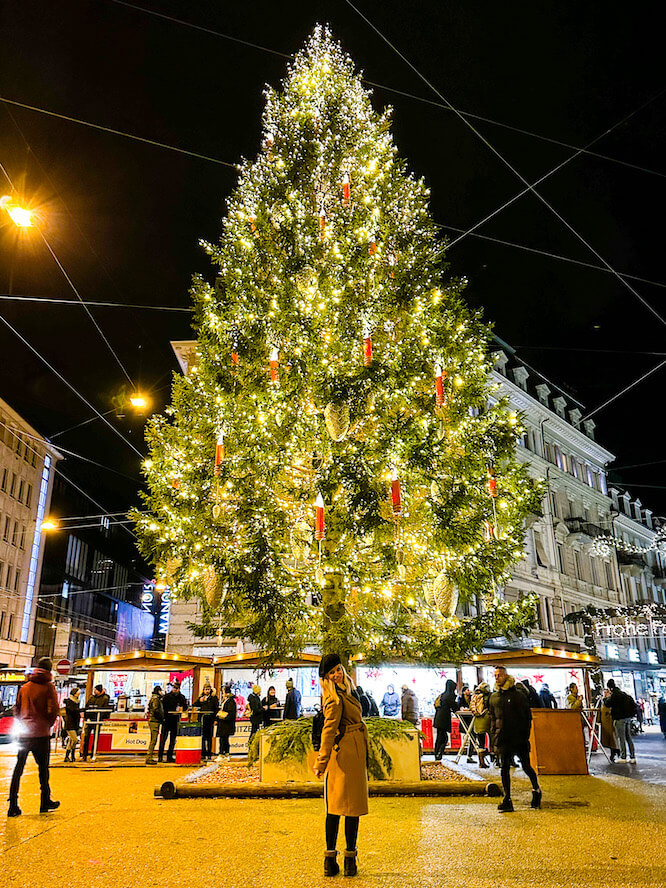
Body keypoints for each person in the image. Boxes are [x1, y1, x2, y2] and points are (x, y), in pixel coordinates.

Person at [313, 653, 368, 878]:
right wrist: (321, 761)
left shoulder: (347, 692)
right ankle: (338, 860)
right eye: (331, 672)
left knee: (345, 808)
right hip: (343, 754)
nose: (337, 674)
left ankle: (344, 860)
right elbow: (328, 730)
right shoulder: (334, 699)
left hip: (351, 753)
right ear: (326, 677)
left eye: (338, 669)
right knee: (338, 809)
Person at [8, 658, 60, 817]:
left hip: (24, 734)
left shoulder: (25, 687)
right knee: (43, 769)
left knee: (18, 768)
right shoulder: (48, 687)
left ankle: (13, 804)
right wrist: (47, 725)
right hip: (41, 734)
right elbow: (53, 709)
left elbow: (16, 708)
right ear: (49, 670)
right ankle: (45, 801)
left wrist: (22, 722)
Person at [489, 665, 542, 813]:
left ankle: (536, 790)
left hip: (518, 738)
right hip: (503, 738)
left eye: (499, 675)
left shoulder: (518, 695)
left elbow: (526, 717)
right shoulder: (494, 697)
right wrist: (494, 737)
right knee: (504, 769)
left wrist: (524, 736)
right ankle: (507, 799)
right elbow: (492, 718)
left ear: (506, 676)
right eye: (495, 675)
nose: (497, 677)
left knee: (526, 766)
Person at [603, 679, 636, 763]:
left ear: (610, 688)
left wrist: (605, 699)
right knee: (628, 738)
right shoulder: (623, 694)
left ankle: (623, 757)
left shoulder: (615, 695)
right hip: (627, 718)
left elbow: (607, 704)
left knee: (621, 738)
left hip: (619, 719)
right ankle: (633, 757)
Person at [159, 679, 188, 763]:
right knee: (163, 739)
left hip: (175, 720)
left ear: (179, 689)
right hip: (167, 720)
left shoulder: (181, 697)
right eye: (174, 688)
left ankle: (169, 756)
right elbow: (162, 708)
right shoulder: (167, 697)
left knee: (172, 740)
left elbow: (185, 707)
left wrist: (182, 709)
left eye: (176, 688)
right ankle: (160, 756)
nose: (175, 689)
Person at [81, 684, 111, 761]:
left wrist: (102, 717)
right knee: (86, 737)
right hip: (90, 720)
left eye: (96, 690)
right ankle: (84, 754)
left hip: (97, 720)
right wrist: (86, 716)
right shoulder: (92, 698)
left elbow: (106, 709)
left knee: (95, 738)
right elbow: (87, 707)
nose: (94, 691)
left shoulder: (105, 698)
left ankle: (92, 754)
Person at [195, 680, 219, 762]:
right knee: (203, 737)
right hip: (202, 719)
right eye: (206, 689)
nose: (207, 691)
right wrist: (199, 701)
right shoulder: (201, 698)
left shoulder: (214, 698)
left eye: (208, 689)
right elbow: (194, 705)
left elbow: (216, 709)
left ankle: (209, 753)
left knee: (209, 737)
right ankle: (203, 753)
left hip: (210, 719)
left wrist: (215, 719)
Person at [433, 679, 457, 761]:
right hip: (444, 719)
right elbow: (454, 707)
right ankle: (439, 754)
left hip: (438, 718)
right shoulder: (450, 695)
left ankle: (437, 753)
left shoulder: (443, 695)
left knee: (439, 737)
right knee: (444, 738)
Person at [470, 681, 491, 768]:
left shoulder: (474, 696)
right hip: (487, 720)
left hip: (477, 722)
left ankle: (481, 762)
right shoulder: (488, 696)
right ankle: (495, 759)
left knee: (481, 743)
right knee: (492, 740)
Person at [598, 688, 620, 762]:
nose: (605, 694)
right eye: (604, 692)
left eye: (607, 692)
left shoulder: (611, 701)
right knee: (609, 739)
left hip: (611, 721)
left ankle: (617, 752)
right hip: (605, 722)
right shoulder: (602, 701)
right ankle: (614, 752)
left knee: (613, 739)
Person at [217, 683, 237, 758]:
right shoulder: (225, 700)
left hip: (226, 723)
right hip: (222, 723)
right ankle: (223, 753)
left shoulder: (231, 701)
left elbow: (231, 713)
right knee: (223, 739)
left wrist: (222, 715)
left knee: (224, 739)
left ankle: (223, 753)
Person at [145, 685, 163, 765]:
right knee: (153, 740)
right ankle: (149, 757)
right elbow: (156, 710)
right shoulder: (156, 699)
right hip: (154, 721)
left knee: (153, 739)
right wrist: (161, 718)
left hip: (153, 720)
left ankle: (150, 757)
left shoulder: (153, 698)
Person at [63, 687, 81, 762]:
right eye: (78, 693)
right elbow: (73, 711)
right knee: (74, 739)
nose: (78, 694)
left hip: (75, 724)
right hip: (70, 724)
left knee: (72, 740)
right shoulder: (69, 702)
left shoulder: (77, 701)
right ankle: (69, 756)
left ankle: (70, 756)